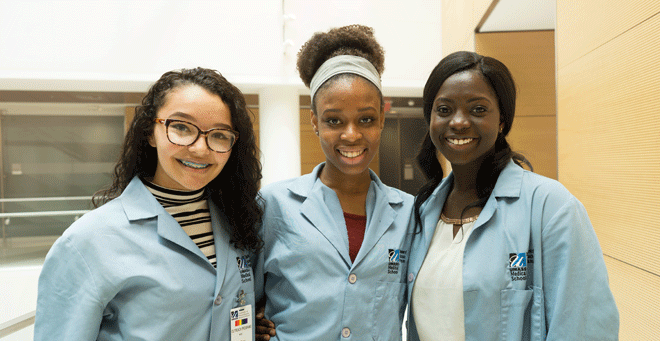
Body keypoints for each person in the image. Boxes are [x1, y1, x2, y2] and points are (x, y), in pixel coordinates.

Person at [35, 67, 264, 340]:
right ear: (149, 133)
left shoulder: (238, 222)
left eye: (219, 135)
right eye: (181, 127)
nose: (201, 148)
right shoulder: (89, 241)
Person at [407, 51, 619, 340]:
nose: (458, 122)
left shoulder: (550, 206)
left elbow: (585, 327)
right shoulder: (421, 213)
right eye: (444, 109)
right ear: (430, 119)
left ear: (503, 120)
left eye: (478, 109)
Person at [254, 25, 414, 340]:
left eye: (366, 119)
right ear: (314, 121)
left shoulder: (410, 213)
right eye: (334, 120)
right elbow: (245, 293)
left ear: (382, 118)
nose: (351, 134)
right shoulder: (273, 206)